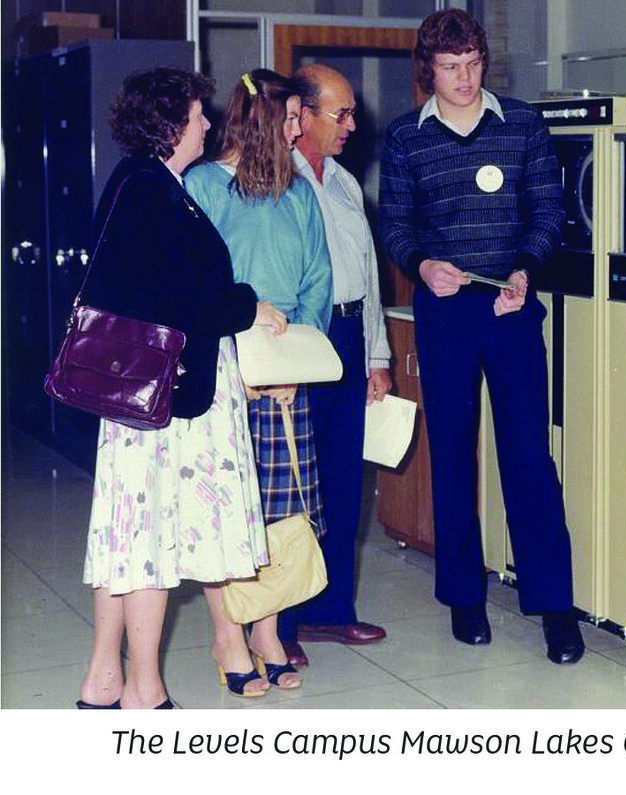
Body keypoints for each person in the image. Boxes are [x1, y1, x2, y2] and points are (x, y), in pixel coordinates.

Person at [379, 9, 584, 664]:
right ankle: (464, 596)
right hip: (446, 313)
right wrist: (420, 266)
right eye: (450, 68)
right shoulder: (405, 139)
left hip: (511, 307)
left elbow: (549, 211)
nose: (464, 79)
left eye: (472, 65)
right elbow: (396, 224)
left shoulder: (523, 124)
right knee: (455, 454)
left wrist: (525, 268)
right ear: (427, 70)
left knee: (529, 456)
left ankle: (554, 605)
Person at [79, 66, 287, 708]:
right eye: (197, 113)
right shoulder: (151, 187)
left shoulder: (149, 181)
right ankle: (144, 687)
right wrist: (247, 305)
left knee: (129, 531)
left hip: (150, 392)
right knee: (148, 542)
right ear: (171, 124)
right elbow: (173, 299)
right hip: (165, 397)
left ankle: (105, 679)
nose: (206, 122)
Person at [185, 69, 333, 694]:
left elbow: (316, 283)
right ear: (262, 120)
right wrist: (236, 369)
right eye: (292, 117)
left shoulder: (299, 195)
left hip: (283, 367)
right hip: (223, 367)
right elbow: (195, 286)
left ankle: (268, 632)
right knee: (226, 514)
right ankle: (228, 636)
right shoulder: (203, 186)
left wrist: (293, 365)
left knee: (279, 509)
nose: (300, 128)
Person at [274, 63, 393, 665]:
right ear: (303, 114)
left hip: (349, 335)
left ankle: (331, 612)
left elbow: (368, 275)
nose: (351, 124)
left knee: (346, 478)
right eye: (339, 113)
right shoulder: (275, 179)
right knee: (295, 482)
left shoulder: (345, 183)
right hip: (302, 340)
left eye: (352, 113)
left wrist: (376, 355)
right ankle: (281, 623)